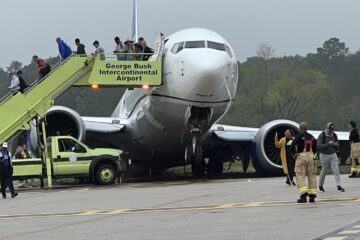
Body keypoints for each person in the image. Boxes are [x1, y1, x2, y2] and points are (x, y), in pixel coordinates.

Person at [292, 122, 317, 203]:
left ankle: (303, 195)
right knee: (312, 176)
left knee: (300, 176)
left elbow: (292, 146)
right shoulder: (312, 137)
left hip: (301, 156)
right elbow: (316, 147)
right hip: (311, 156)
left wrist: (294, 154)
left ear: (300, 128)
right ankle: (312, 196)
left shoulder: (298, 136)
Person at [317, 122, 345, 192]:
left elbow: (338, 145)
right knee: (324, 171)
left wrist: (335, 144)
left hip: (333, 154)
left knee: (336, 170)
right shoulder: (322, 135)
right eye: (330, 129)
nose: (331, 131)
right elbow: (319, 146)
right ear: (327, 128)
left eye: (332, 129)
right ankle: (320, 185)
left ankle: (338, 185)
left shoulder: (334, 135)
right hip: (324, 155)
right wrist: (328, 144)